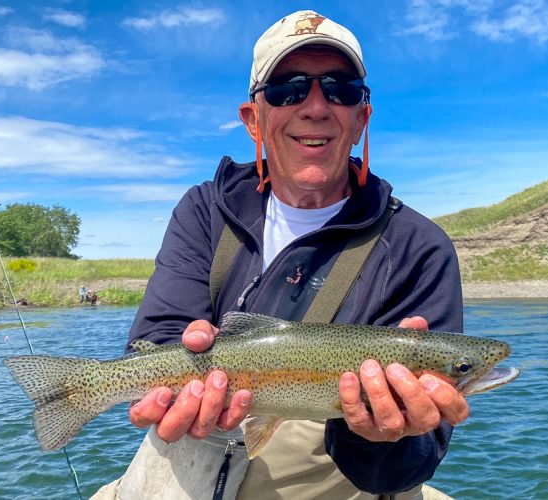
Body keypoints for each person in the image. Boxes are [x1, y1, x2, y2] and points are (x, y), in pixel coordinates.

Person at [94, 10, 468, 500]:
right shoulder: (204, 210)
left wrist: (384, 438)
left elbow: (403, 470)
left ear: (361, 117)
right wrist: (169, 391)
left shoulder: (419, 246)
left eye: (341, 88)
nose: (315, 106)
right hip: (189, 465)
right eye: (288, 89)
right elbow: (157, 337)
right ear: (254, 118)